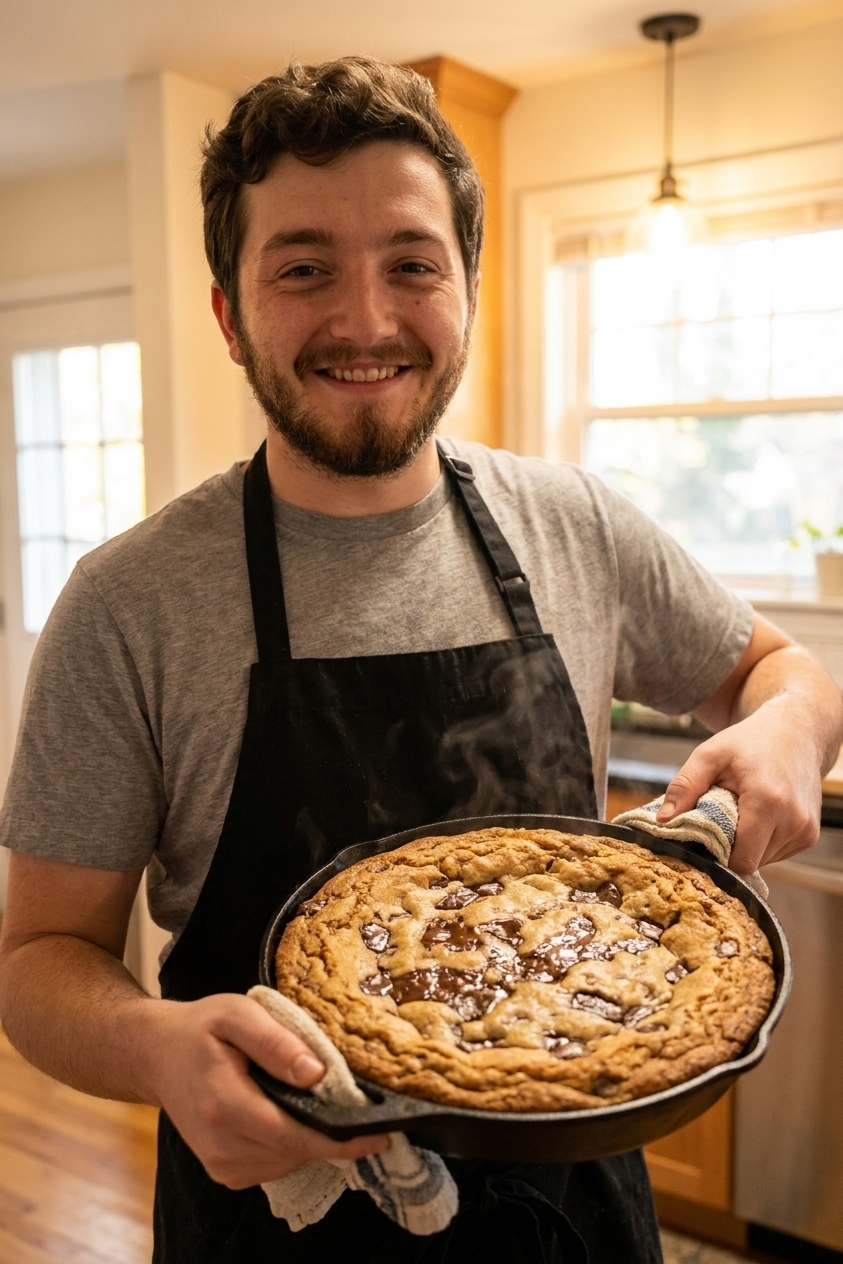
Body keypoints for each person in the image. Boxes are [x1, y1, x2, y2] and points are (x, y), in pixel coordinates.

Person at [0, 56, 840, 1264]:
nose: (366, 321)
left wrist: (791, 729)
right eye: (302, 269)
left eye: (411, 264)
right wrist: (156, 1049)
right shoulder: (128, 604)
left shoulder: (580, 527)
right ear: (230, 312)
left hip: (577, 1215)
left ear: (469, 290)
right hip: (269, 1214)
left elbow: (786, 673)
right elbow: (38, 962)